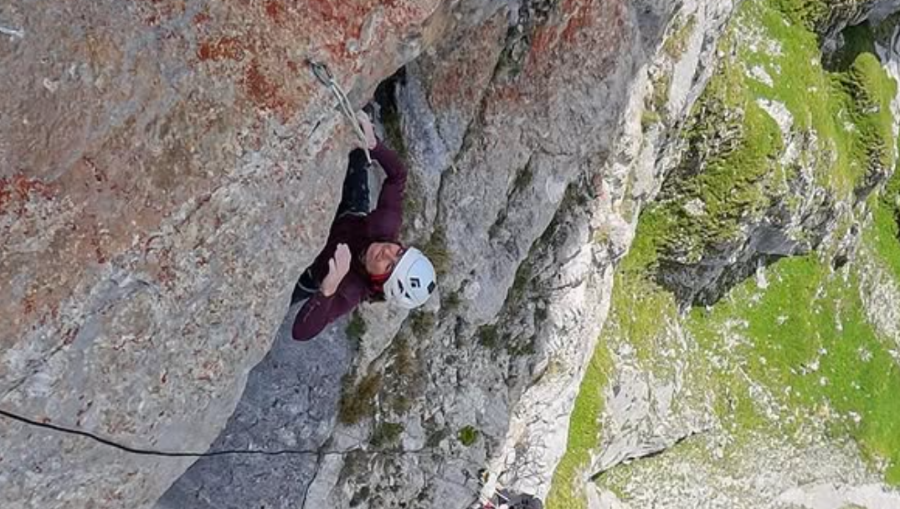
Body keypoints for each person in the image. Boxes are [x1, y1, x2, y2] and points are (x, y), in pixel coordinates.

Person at [291, 112, 436, 342]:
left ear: (379, 283)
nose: (387, 252)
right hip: (350, 212)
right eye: (399, 252)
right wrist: (374, 146)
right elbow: (398, 176)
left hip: (311, 271)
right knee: (357, 145)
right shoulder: (385, 226)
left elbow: (301, 332)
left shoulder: (350, 290)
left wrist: (328, 289)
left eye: (389, 265)